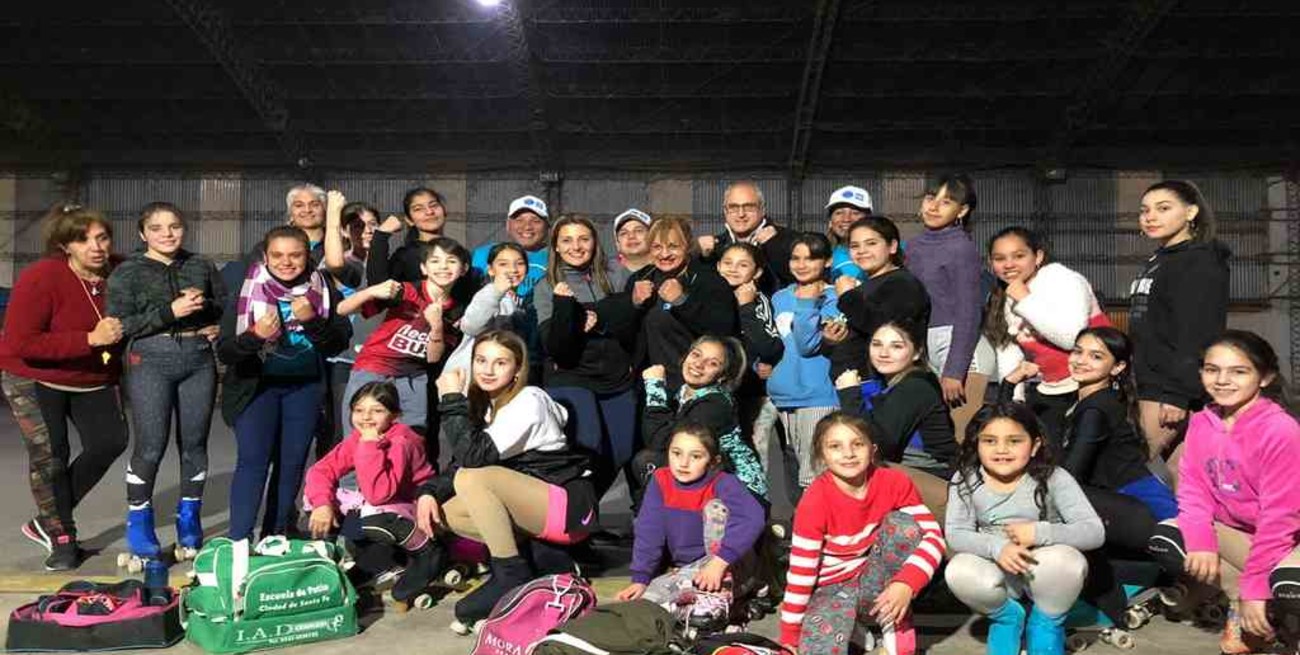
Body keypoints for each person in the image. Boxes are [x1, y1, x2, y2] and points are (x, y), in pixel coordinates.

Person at [415, 330, 596, 631]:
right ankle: (542, 562)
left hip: (568, 510)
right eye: (481, 360)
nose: (488, 370)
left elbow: (473, 458)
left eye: (500, 363)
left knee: (473, 478)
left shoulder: (530, 401)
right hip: (536, 510)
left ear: (517, 369)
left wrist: (451, 398)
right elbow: (459, 463)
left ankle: (510, 573)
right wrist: (428, 492)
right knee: (446, 512)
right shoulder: (487, 404)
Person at [1147, 331, 1300, 654]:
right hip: (1238, 534)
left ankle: (1277, 614)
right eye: (1212, 369)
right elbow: (1193, 491)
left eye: (1238, 371)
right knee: (1171, 538)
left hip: (1286, 539)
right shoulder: (1203, 422)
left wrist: (1256, 586)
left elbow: (1280, 518)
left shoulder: (1280, 430)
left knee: (1288, 584)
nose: (1222, 380)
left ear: (1265, 377)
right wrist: (1201, 540)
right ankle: (1240, 604)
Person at [1, 204, 129, 570]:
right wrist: (89, 339)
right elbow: (21, 343)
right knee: (51, 454)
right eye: (82, 240)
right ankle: (61, 535)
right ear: (65, 245)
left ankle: (48, 516)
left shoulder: (121, 271)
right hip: (32, 374)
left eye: (101, 237)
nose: (95, 247)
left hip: (91, 376)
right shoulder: (42, 277)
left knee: (110, 441)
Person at [106, 202, 225, 564]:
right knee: (150, 446)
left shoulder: (200, 264)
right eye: (156, 228)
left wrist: (209, 315)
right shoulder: (127, 272)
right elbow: (120, 325)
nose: (167, 234)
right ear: (142, 234)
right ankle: (139, 524)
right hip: (149, 361)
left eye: (174, 226)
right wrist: (169, 312)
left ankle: (189, 521)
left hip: (198, 360)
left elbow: (223, 303)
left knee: (194, 445)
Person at [218, 226, 352, 541]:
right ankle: (239, 541)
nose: (286, 262)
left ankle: (274, 536)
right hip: (256, 388)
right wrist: (254, 337)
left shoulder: (322, 286)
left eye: (295, 255)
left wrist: (311, 321)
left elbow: (337, 343)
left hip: (304, 388)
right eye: (277, 255)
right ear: (265, 256)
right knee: (253, 461)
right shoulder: (247, 285)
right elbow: (225, 351)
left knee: (291, 464)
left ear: (307, 257)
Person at [944, 403, 1105, 655]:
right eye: (990, 441)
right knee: (958, 570)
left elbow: (1094, 531)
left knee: (1066, 562)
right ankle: (1007, 618)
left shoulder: (1054, 477)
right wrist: (997, 547)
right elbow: (955, 533)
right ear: (976, 444)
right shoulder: (966, 479)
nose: (1001, 449)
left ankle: (1046, 624)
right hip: (998, 573)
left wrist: (1039, 533)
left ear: (1035, 445)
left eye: (1014, 441)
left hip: (1043, 573)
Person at [779, 413, 946, 655]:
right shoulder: (814, 501)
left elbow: (933, 536)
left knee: (904, 525)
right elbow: (801, 572)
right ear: (822, 455)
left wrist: (906, 583)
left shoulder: (894, 482)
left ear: (873, 449)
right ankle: (853, 630)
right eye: (835, 446)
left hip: (877, 581)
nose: (848, 453)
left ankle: (894, 621)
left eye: (857, 444)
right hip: (831, 589)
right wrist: (790, 634)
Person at [616, 422, 766, 629]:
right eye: (676, 453)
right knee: (647, 604)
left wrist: (720, 562)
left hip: (727, 566)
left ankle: (729, 597)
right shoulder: (661, 480)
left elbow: (753, 517)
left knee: (716, 509)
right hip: (688, 570)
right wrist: (641, 578)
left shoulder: (723, 482)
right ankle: (727, 605)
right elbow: (649, 532)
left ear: (713, 461)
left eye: (695, 456)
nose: (683, 463)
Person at [303, 381, 441, 604]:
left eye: (377, 410)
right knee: (316, 500)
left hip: (413, 507)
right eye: (359, 410)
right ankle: (372, 559)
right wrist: (322, 505)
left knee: (373, 517)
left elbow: (379, 494)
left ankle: (423, 550)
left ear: (394, 415)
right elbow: (321, 470)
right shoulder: (359, 437)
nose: (366, 417)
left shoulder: (401, 441)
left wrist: (369, 445)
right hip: (384, 505)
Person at [533, 217, 639, 501]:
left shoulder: (617, 275)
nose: (576, 246)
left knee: (621, 450)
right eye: (567, 240)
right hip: (570, 375)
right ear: (556, 246)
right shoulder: (547, 286)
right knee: (588, 445)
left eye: (584, 239)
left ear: (595, 242)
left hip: (616, 378)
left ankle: (582, 507)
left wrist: (601, 317)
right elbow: (556, 347)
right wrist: (565, 307)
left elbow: (632, 321)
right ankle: (574, 512)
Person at [1129, 180, 1230, 462]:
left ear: (1190, 212)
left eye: (1163, 208)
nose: (1150, 217)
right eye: (1144, 210)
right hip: (1151, 381)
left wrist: (1177, 393)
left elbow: (1198, 332)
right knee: (1183, 476)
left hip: (1168, 388)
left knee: (1128, 470)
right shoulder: (1160, 259)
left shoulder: (1199, 261)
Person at [983, 227, 1110, 443]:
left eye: (1019, 256)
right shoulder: (1004, 295)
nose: (1009, 264)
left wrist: (1025, 300)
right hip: (1051, 387)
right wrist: (1015, 401)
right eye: (999, 258)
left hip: (1092, 386)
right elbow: (1009, 351)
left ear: (1038, 256)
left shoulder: (1062, 279)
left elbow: (1072, 337)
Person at [336, 238, 471, 438]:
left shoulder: (457, 311)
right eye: (435, 261)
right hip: (374, 368)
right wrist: (371, 291)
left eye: (451, 261)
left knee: (411, 437)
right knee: (361, 435)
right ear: (424, 268)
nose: (443, 266)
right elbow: (342, 309)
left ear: (464, 268)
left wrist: (436, 326)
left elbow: (433, 357)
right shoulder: (406, 291)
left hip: (413, 376)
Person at [835, 321, 955, 517]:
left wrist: (850, 394)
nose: (883, 353)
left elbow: (879, 445)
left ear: (917, 353)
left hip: (932, 474)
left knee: (850, 470)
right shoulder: (889, 384)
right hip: (908, 469)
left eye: (896, 346)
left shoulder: (915, 386)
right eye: (877, 344)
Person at [1063, 327, 1176, 521]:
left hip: (1138, 504)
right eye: (1078, 351)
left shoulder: (1096, 409)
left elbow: (1071, 474)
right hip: (1131, 498)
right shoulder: (1107, 398)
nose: (1081, 361)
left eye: (1096, 356)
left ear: (1117, 367)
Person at [635, 338, 768, 501]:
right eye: (696, 355)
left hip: (741, 496)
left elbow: (660, 440)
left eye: (712, 363)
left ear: (722, 376)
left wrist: (654, 387)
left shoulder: (715, 405)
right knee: (650, 463)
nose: (699, 364)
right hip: (707, 479)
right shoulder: (683, 392)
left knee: (650, 461)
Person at [770, 233, 842, 501]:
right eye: (795, 258)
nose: (801, 265)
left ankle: (819, 526)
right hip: (783, 396)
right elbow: (775, 340)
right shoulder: (779, 297)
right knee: (793, 469)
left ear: (827, 261)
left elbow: (807, 345)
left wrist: (807, 303)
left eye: (811, 258)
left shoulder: (835, 297)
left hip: (817, 396)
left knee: (815, 475)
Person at [628, 216, 738, 391]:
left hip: (695, 385)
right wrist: (634, 305)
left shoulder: (709, 281)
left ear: (687, 246)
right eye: (657, 247)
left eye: (673, 246)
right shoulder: (640, 278)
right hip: (650, 384)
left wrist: (682, 301)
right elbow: (627, 334)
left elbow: (723, 331)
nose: (664, 254)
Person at [906, 174, 984, 411]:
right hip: (923, 342)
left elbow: (969, 311)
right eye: (930, 198)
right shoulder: (913, 245)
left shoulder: (961, 248)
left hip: (954, 342)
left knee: (960, 426)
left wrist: (954, 370)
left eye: (946, 202)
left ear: (962, 210)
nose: (934, 207)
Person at [826, 216, 931, 380]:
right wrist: (832, 337)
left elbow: (886, 328)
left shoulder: (903, 283)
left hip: (879, 381)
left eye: (871, 243)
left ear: (892, 246)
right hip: (851, 381)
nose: (861, 251)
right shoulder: (866, 284)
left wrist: (847, 296)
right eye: (854, 246)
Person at [320, 195, 383, 454]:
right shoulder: (342, 262)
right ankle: (336, 477)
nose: (367, 230)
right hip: (345, 357)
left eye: (373, 224)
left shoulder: (388, 263)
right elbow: (335, 263)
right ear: (345, 231)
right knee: (343, 427)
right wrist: (333, 214)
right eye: (358, 225)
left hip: (379, 356)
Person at [715, 242, 783, 474]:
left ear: (757, 272)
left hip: (752, 393)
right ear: (718, 266)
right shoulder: (709, 295)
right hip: (716, 391)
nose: (733, 269)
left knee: (752, 453)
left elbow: (770, 346)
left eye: (742, 264)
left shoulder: (758, 300)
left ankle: (753, 496)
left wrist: (745, 306)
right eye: (727, 263)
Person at [698, 180, 798, 296]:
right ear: (725, 211)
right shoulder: (712, 248)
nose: (741, 214)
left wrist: (775, 247)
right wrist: (704, 259)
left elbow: (802, 280)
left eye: (749, 207)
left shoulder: (790, 240)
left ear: (762, 210)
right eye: (734, 207)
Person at [448, 242, 533, 371]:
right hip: (472, 373)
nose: (513, 269)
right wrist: (496, 291)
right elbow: (471, 327)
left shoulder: (524, 301)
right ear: (491, 270)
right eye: (503, 264)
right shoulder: (488, 295)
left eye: (520, 263)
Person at [469, 194, 551, 300]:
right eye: (519, 220)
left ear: (547, 226)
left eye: (536, 221)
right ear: (508, 225)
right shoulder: (482, 254)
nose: (527, 226)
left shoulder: (558, 257)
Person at [365, 186, 451, 285]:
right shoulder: (405, 256)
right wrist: (381, 236)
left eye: (434, 205)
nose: (429, 212)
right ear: (409, 220)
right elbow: (378, 285)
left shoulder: (455, 250)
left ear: (444, 211)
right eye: (418, 209)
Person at [825, 185, 873, 282]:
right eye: (839, 213)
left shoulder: (889, 252)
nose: (846, 219)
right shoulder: (822, 255)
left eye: (855, 213)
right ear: (830, 222)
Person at [611, 208, 652, 272]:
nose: (631, 236)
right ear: (617, 243)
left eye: (638, 231)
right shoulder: (603, 273)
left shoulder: (666, 270)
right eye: (624, 233)